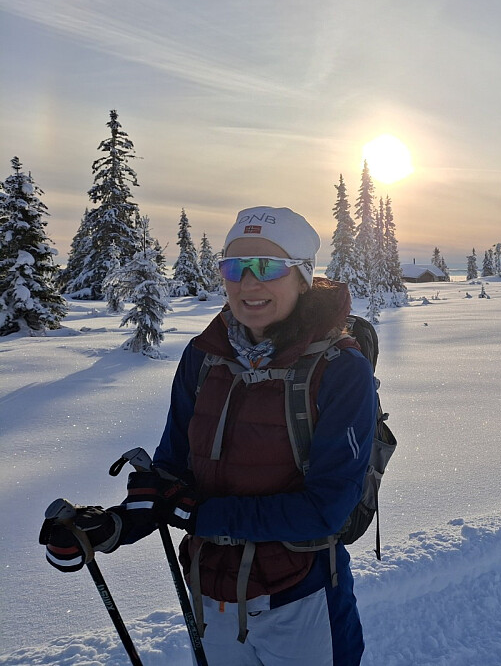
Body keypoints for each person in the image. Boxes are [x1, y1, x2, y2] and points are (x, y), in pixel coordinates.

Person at [39, 206, 376, 665]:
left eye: (268, 267)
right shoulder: (205, 358)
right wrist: (112, 527)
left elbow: (327, 511)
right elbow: (171, 474)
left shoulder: (340, 369)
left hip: (302, 599)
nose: (248, 282)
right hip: (209, 600)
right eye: (234, 267)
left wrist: (199, 514)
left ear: (302, 277)